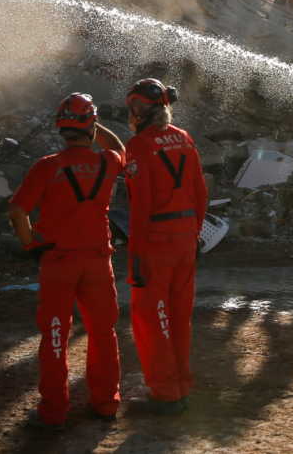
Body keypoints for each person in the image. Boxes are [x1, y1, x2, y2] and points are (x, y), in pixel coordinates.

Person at [8, 93, 124, 427]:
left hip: (58, 262)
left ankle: (54, 411)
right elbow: (120, 146)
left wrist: (31, 244)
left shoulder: (47, 166)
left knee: (56, 336)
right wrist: (93, 123)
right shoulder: (109, 161)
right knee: (103, 333)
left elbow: (18, 211)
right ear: (91, 125)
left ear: (61, 128)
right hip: (99, 262)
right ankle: (106, 404)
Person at [123, 78, 207, 415]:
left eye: (134, 106)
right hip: (186, 236)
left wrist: (136, 255)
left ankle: (165, 393)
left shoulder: (139, 146)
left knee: (150, 317)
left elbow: (140, 205)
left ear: (142, 109)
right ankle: (181, 384)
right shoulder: (185, 139)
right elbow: (201, 192)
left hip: (156, 240)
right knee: (178, 315)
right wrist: (194, 233)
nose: (132, 113)